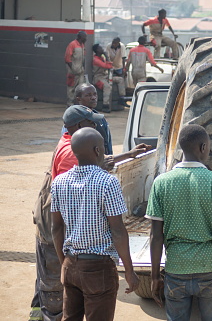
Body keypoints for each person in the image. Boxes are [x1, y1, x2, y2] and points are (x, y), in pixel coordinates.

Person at [51, 127, 139, 321]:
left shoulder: (59, 182)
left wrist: (64, 263)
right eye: (103, 147)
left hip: (70, 263)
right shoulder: (108, 182)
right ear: (98, 151)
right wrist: (130, 272)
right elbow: (117, 231)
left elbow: (56, 228)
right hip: (99, 268)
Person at [146, 124, 212, 321]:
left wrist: (154, 276)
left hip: (176, 267)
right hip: (209, 266)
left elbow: (155, 236)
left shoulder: (162, 182)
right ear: (203, 148)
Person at [29, 108, 103, 321]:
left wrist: (127, 155)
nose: (96, 127)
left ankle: (36, 316)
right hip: (54, 231)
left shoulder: (67, 141)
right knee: (54, 288)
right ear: (79, 126)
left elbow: (96, 161)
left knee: (46, 280)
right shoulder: (71, 155)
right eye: (92, 123)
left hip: (49, 223)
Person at [92, 44, 127, 112]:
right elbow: (107, 66)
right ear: (97, 50)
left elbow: (109, 66)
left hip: (104, 76)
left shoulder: (101, 58)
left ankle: (121, 98)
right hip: (98, 78)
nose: (102, 49)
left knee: (120, 80)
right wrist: (106, 57)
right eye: (100, 48)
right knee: (107, 86)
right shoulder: (95, 59)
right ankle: (106, 105)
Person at [64, 31, 87, 107]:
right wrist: (73, 69)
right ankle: (70, 104)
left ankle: (78, 104)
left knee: (81, 87)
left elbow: (83, 58)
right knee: (71, 88)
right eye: (85, 37)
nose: (86, 38)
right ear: (80, 37)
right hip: (73, 71)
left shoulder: (82, 45)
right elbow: (67, 58)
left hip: (80, 71)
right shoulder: (72, 44)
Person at [105, 38, 129, 107]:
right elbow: (107, 57)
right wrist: (109, 66)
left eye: (115, 43)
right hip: (111, 67)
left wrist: (124, 69)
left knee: (122, 82)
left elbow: (123, 58)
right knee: (110, 82)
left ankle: (122, 99)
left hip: (119, 67)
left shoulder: (122, 46)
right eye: (113, 43)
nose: (113, 44)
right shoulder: (108, 46)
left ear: (118, 43)